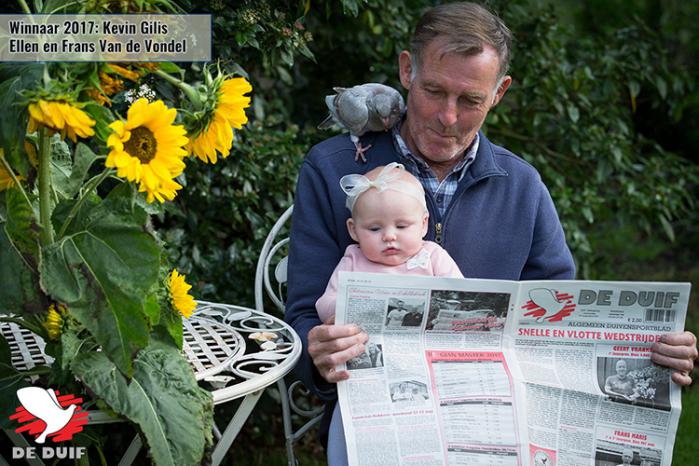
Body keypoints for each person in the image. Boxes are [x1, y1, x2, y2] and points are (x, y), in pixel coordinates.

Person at [284, 2, 698, 464]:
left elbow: (561, 324)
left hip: (497, 419)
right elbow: (302, 315)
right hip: (380, 414)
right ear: (406, 70)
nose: (447, 117)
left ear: (499, 92)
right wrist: (318, 352)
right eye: (434, 91)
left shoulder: (522, 187)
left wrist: (651, 355)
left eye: (471, 101)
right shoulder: (331, 168)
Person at [315, 163, 464, 325]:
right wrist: (342, 308)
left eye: (401, 226)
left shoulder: (433, 256)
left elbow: (461, 295)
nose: (389, 236)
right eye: (374, 228)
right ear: (354, 230)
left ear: (423, 224)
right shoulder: (353, 260)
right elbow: (323, 304)